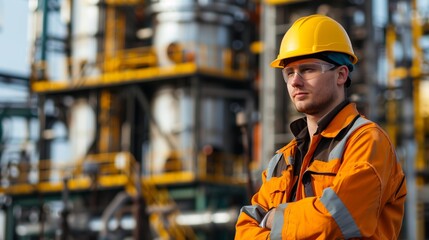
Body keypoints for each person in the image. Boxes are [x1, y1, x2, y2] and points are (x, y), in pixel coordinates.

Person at [235, 14, 407, 239]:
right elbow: (244, 229)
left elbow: (334, 221)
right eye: (289, 73)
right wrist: (297, 225)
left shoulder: (367, 142)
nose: (295, 81)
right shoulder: (283, 159)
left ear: (341, 75)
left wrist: (274, 219)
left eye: (308, 70)